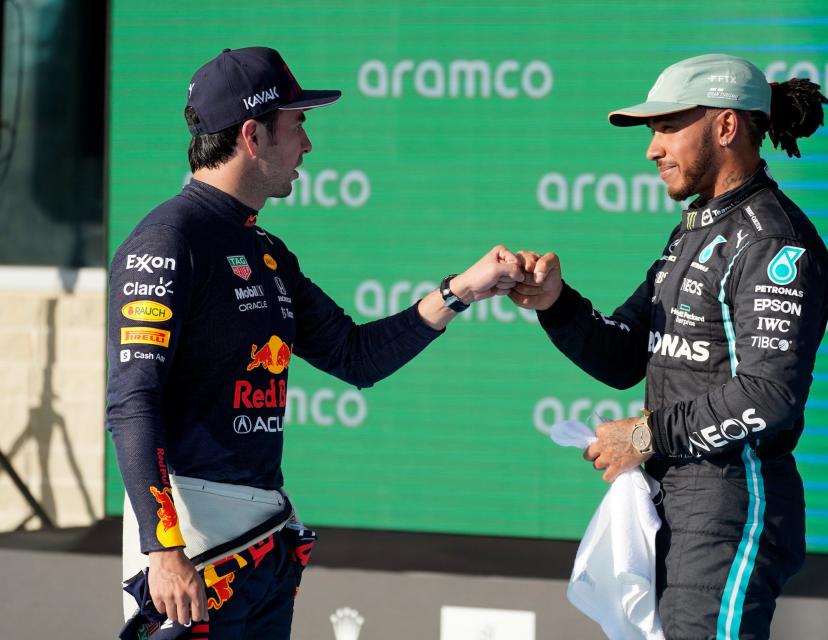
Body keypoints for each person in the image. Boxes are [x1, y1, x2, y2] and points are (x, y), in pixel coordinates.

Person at [106, 46, 524, 639]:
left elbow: (356, 355)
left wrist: (461, 291)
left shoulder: (268, 252)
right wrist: (163, 550)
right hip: (193, 553)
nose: (308, 145)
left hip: (263, 539)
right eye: (298, 125)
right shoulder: (167, 240)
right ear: (253, 135)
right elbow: (131, 403)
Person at [509, 53, 828, 639]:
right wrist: (555, 303)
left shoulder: (773, 241)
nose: (651, 149)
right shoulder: (697, 229)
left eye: (665, 127)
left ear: (726, 126)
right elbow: (625, 356)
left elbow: (770, 394)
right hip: (674, 501)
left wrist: (643, 435)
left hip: (733, 503)